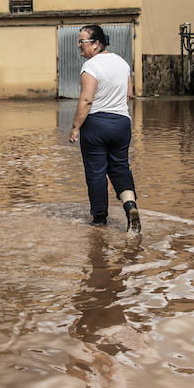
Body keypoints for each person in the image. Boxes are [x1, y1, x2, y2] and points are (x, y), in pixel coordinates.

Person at [68, 24, 140, 233]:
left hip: (96, 125)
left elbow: (87, 100)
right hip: (121, 123)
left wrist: (75, 127)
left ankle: (99, 219)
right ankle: (130, 207)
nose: (79, 45)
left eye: (83, 42)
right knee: (120, 167)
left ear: (96, 44)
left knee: (96, 172)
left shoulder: (91, 66)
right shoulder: (122, 63)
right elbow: (129, 95)